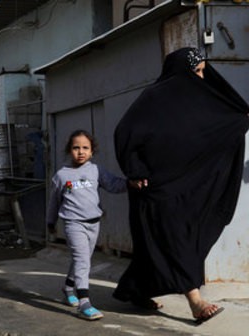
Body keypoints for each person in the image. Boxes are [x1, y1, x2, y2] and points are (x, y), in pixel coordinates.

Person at [113, 47, 249, 323]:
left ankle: (135, 289)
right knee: (178, 241)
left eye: (203, 71)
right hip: (155, 188)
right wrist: (135, 171)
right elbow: (125, 132)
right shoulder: (152, 98)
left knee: (161, 246)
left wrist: (238, 121)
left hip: (186, 188)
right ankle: (195, 301)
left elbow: (212, 132)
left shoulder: (201, 102)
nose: (201, 77)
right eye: (196, 71)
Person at [46, 130, 133, 321]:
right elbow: (54, 201)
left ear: (92, 151)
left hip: (94, 224)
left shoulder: (96, 171)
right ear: (70, 150)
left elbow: (113, 185)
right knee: (82, 260)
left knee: (82, 259)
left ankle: (68, 287)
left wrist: (131, 183)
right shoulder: (62, 175)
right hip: (73, 224)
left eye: (85, 148)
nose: (81, 151)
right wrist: (50, 222)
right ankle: (84, 304)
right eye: (76, 148)